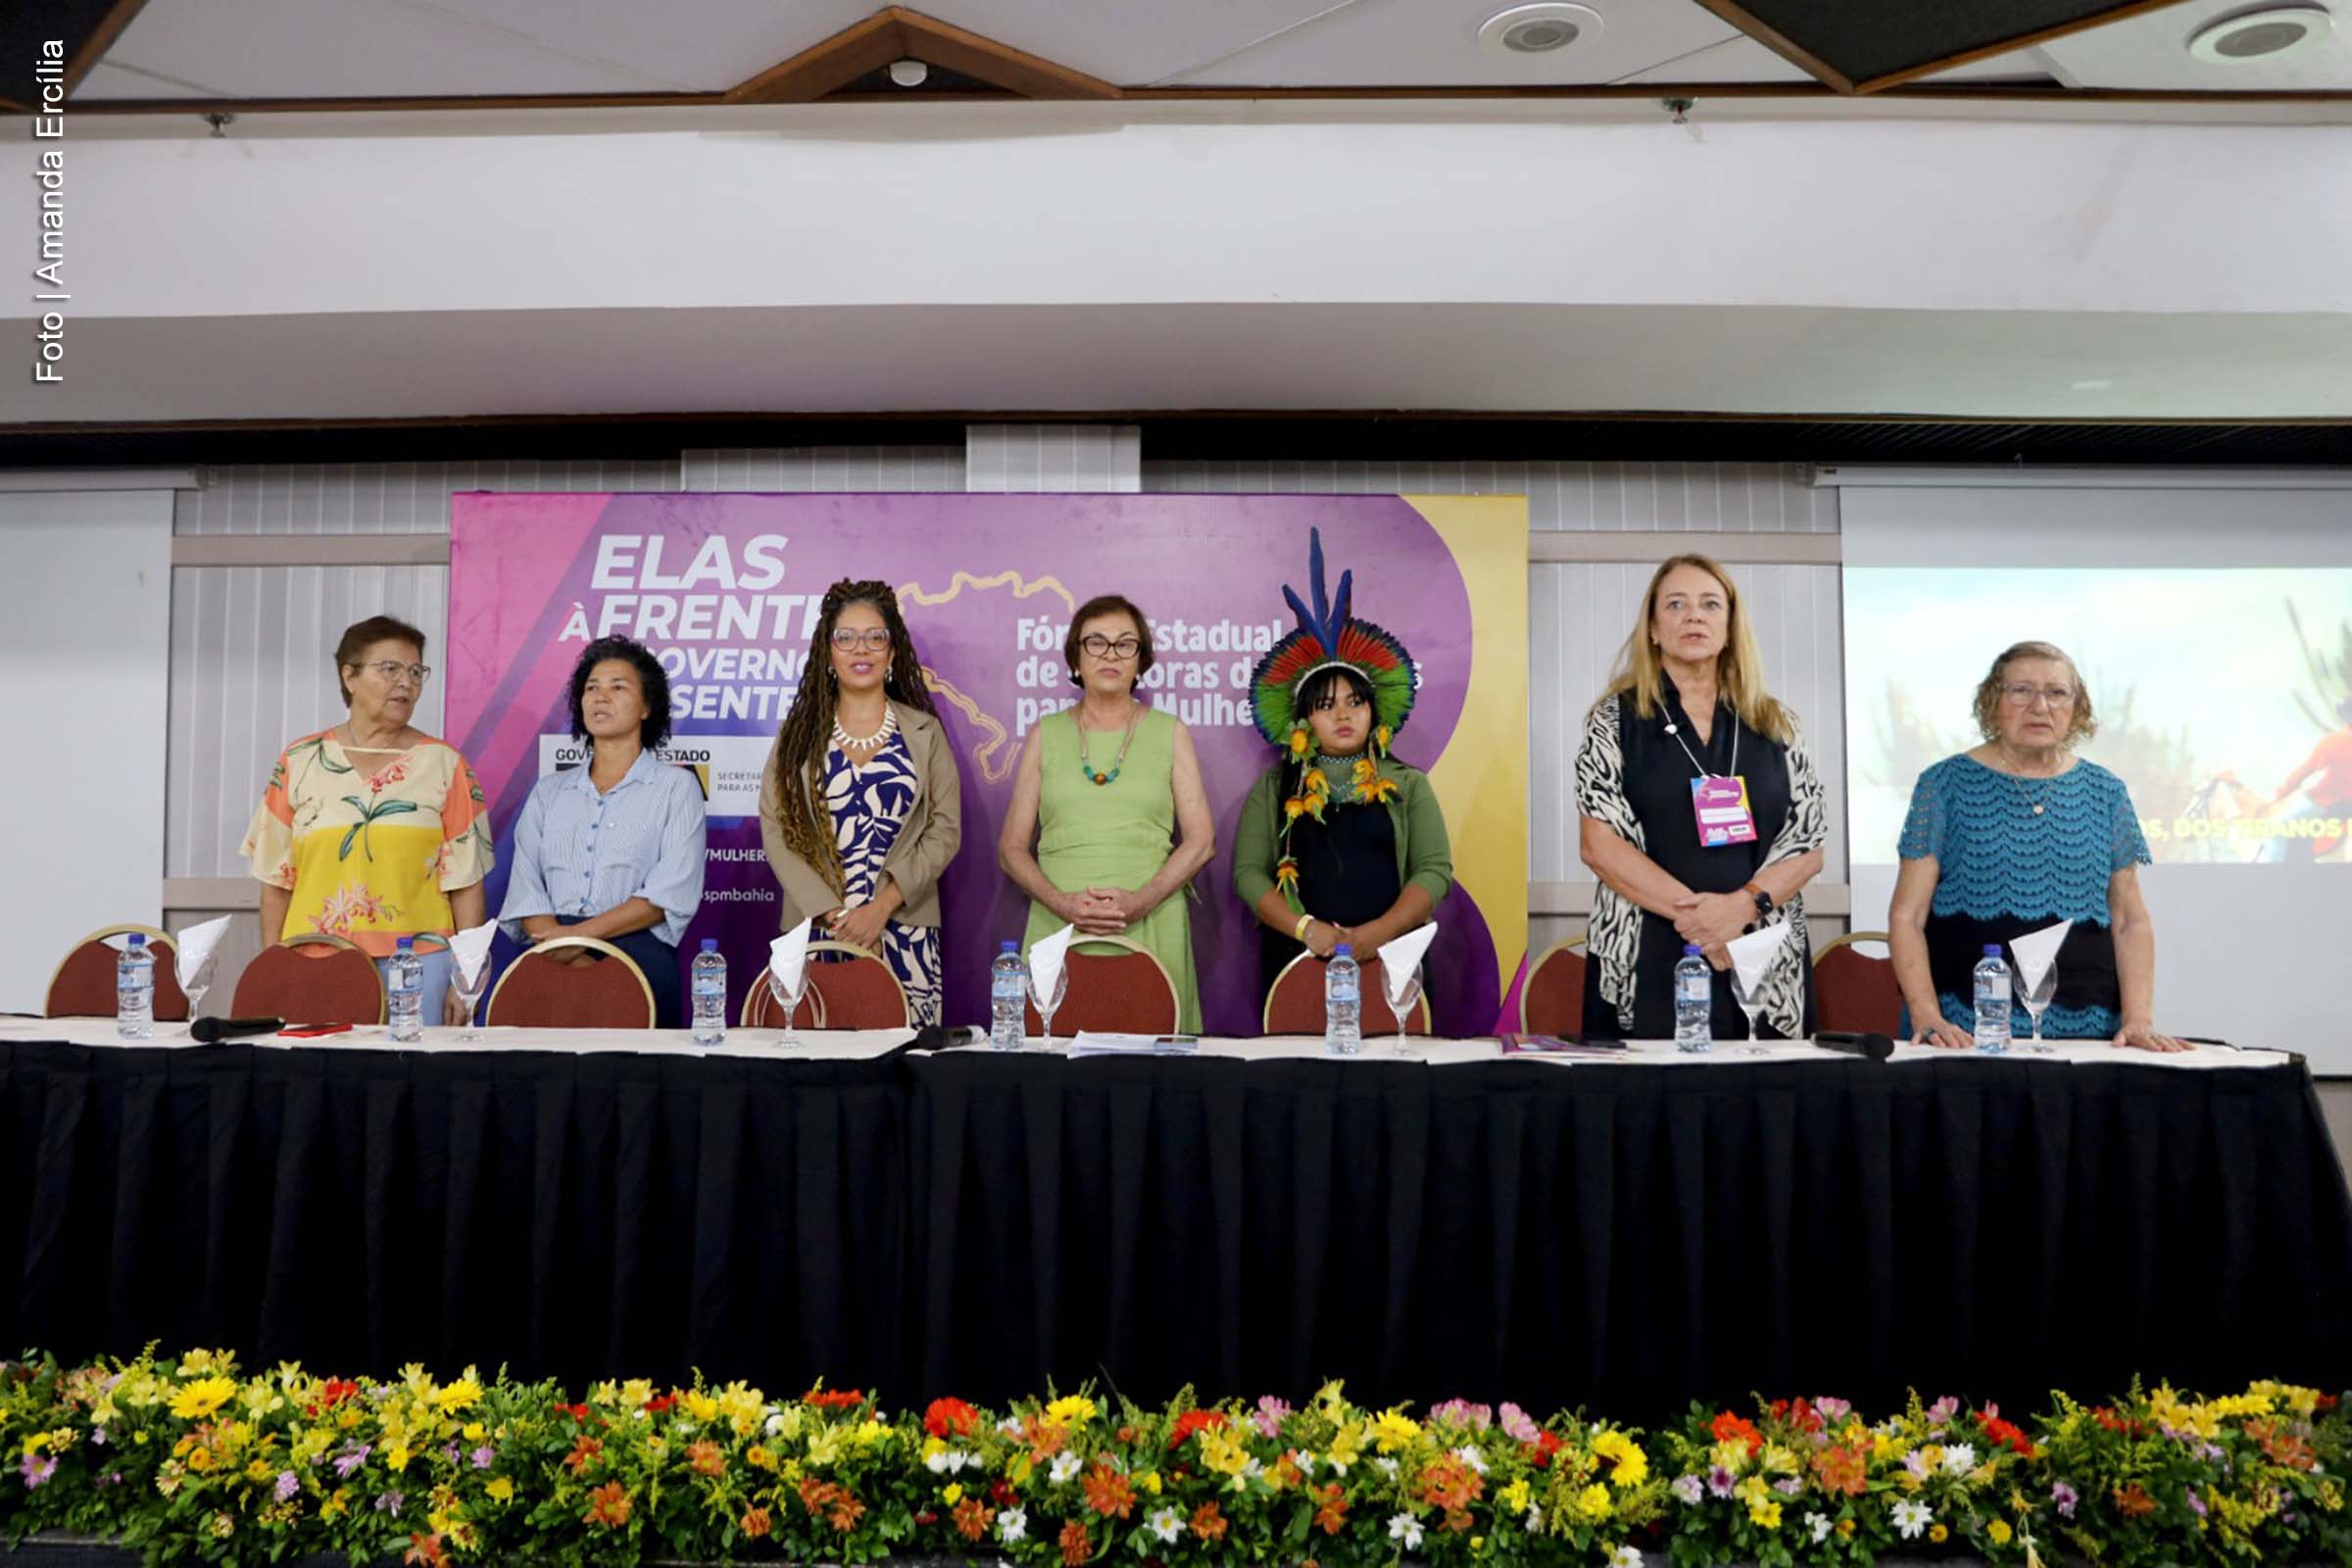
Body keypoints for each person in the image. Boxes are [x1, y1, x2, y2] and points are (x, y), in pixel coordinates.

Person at [1576, 555, 1828, 1040]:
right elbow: (1599, 845)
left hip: (1760, 948)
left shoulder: (1778, 723)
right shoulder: (1613, 720)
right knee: (1651, 1109)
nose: (1694, 615)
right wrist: (1703, 921)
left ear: (1730, 627)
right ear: (1653, 628)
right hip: (1650, 945)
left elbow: (1809, 845)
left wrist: (1740, 910)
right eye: (1676, 604)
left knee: (1764, 1103)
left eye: (1710, 604)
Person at [1888, 640, 2181, 1050]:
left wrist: (2138, 1019)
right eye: (2022, 690)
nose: (2040, 706)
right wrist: (1926, 1014)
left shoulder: (2106, 791)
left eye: (2057, 693)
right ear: (1993, 702)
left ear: (2077, 708)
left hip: (2092, 1032)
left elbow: (2130, 918)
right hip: (1967, 1032)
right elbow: (1907, 915)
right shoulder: (1943, 785)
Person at [1232, 528, 1452, 1004]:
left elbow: (1433, 871)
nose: (1343, 714)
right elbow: (1249, 874)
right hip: (1296, 963)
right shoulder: (1274, 788)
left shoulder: (1408, 783)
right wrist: (1305, 928)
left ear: (1375, 712)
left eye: (1355, 702)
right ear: (1303, 720)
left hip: (1393, 961)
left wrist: (1379, 933)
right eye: (1326, 704)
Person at [242, 614, 493, 1025]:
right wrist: (274, 966)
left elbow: (467, 882)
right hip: (315, 958)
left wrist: (465, 976)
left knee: (411, 1083)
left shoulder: (446, 765)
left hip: (419, 964)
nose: (407, 683)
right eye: (390, 669)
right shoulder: (299, 760)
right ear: (350, 676)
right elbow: (275, 880)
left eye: (415, 672)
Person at [999, 594, 1214, 1033]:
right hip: (1058, 924)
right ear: (1076, 659)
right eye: (1095, 642)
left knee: (1153, 1076)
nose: (1110, 654)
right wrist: (1063, 904)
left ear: (1141, 660)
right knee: (1055, 1077)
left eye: (1124, 644)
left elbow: (1201, 842)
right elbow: (1011, 850)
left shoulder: (1169, 732)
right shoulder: (1047, 733)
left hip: (1150, 921)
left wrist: (1140, 901)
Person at [760, 580, 961, 1027]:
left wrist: (881, 908)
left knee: (906, 1071)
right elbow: (776, 831)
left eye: (875, 637)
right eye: (846, 638)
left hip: (904, 929)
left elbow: (945, 831)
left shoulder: (925, 733)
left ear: (892, 653)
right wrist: (839, 918)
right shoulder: (796, 737)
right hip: (815, 930)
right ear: (827, 653)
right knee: (811, 1068)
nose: (861, 649)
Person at [499, 636, 707, 1026]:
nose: (600, 697)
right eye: (591, 687)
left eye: (618, 687)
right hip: (549, 957)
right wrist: (566, 949)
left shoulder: (676, 788)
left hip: (636, 957)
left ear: (647, 707)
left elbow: (668, 894)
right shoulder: (548, 793)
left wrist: (578, 939)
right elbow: (526, 892)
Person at [2260, 694, 2352, 863]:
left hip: (2327, 802)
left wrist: (2280, 793)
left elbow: (2303, 772)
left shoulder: (2333, 741)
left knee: (2275, 830)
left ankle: (2269, 879)